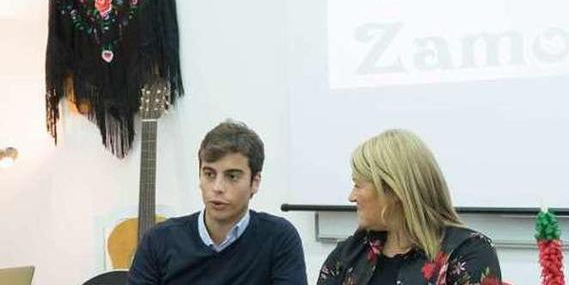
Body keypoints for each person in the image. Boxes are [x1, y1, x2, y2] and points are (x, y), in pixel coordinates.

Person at [127, 120, 307, 284]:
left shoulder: (279, 238)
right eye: (209, 174)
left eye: (232, 176)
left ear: (255, 182)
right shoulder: (158, 240)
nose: (217, 187)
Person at [317, 129, 505, 285]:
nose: (351, 197)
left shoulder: (468, 252)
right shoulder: (348, 255)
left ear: (394, 191)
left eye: (358, 185)